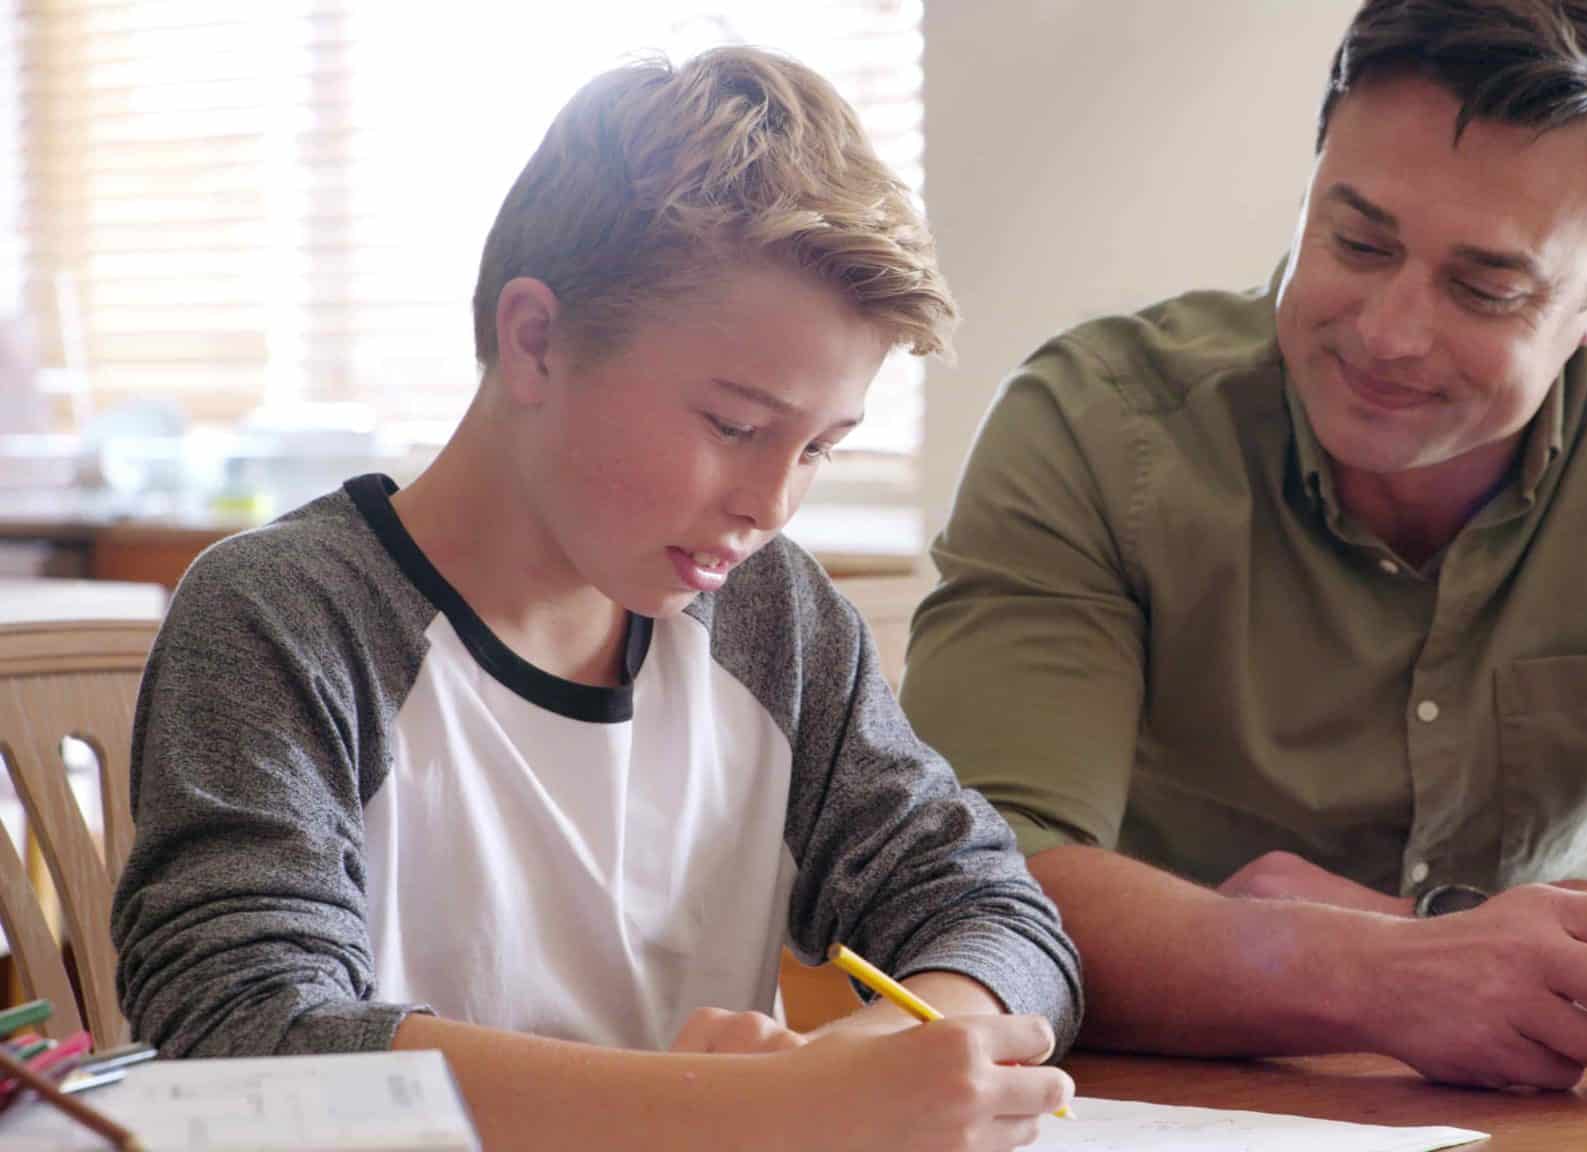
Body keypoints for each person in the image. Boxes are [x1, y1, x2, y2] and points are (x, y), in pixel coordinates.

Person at [899, 0, 1587, 1092]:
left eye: (1483, 285)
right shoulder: (1094, 426)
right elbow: (965, 884)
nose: (1389, 333)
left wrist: (1459, 939)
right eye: (1355, 242)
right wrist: (1370, 973)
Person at [113, 48, 1078, 1152]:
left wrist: (905, 1054)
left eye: (818, 447)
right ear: (535, 341)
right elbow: (242, 1036)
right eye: (733, 425)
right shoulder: (284, 618)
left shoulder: (775, 620)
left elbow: (993, 910)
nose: (772, 503)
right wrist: (759, 1112)